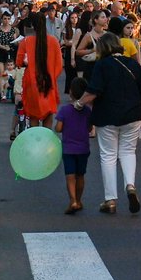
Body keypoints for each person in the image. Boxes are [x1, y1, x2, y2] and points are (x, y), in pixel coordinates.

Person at [78, 32, 141, 215]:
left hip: (107, 115)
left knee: (108, 156)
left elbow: (94, 91)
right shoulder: (133, 64)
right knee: (128, 152)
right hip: (133, 115)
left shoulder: (101, 65)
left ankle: (110, 199)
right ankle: (130, 185)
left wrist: (78, 103)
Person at [15, 13, 63, 129]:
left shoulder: (25, 42)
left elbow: (19, 62)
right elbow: (59, 65)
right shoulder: (53, 41)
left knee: (33, 117)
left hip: (31, 82)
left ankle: (35, 143)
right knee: (48, 114)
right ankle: (46, 143)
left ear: (32, 25)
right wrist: (51, 77)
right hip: (48, 83)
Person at [55, 77, 93, 214]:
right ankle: (79, 199)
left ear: (70, 92)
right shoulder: (88, 111)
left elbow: (58, 128)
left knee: (70, 176)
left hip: (68, 149)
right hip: (83, 148)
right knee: (80, 175)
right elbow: (89, 128)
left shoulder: (65, 110)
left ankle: (72, 200)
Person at [75, 10, 108, 85]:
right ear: (96, 20)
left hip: (105, 68)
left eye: (105, 17)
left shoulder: (107, 35)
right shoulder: (88, 36)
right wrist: (91, 50)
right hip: (92, 68)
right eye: (103, 17)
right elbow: (78, 52)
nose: (106, 19)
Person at [61, 10, 81, 95]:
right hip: (69, 51)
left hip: (78, 50)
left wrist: (73, 42)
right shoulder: (66, 28)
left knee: (77, 72)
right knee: (69, 72)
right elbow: (66, 41)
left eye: (76, 17)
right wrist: (73, 42)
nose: (74, 19)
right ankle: (69, 91)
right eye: (72, 18)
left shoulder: (80, 29)